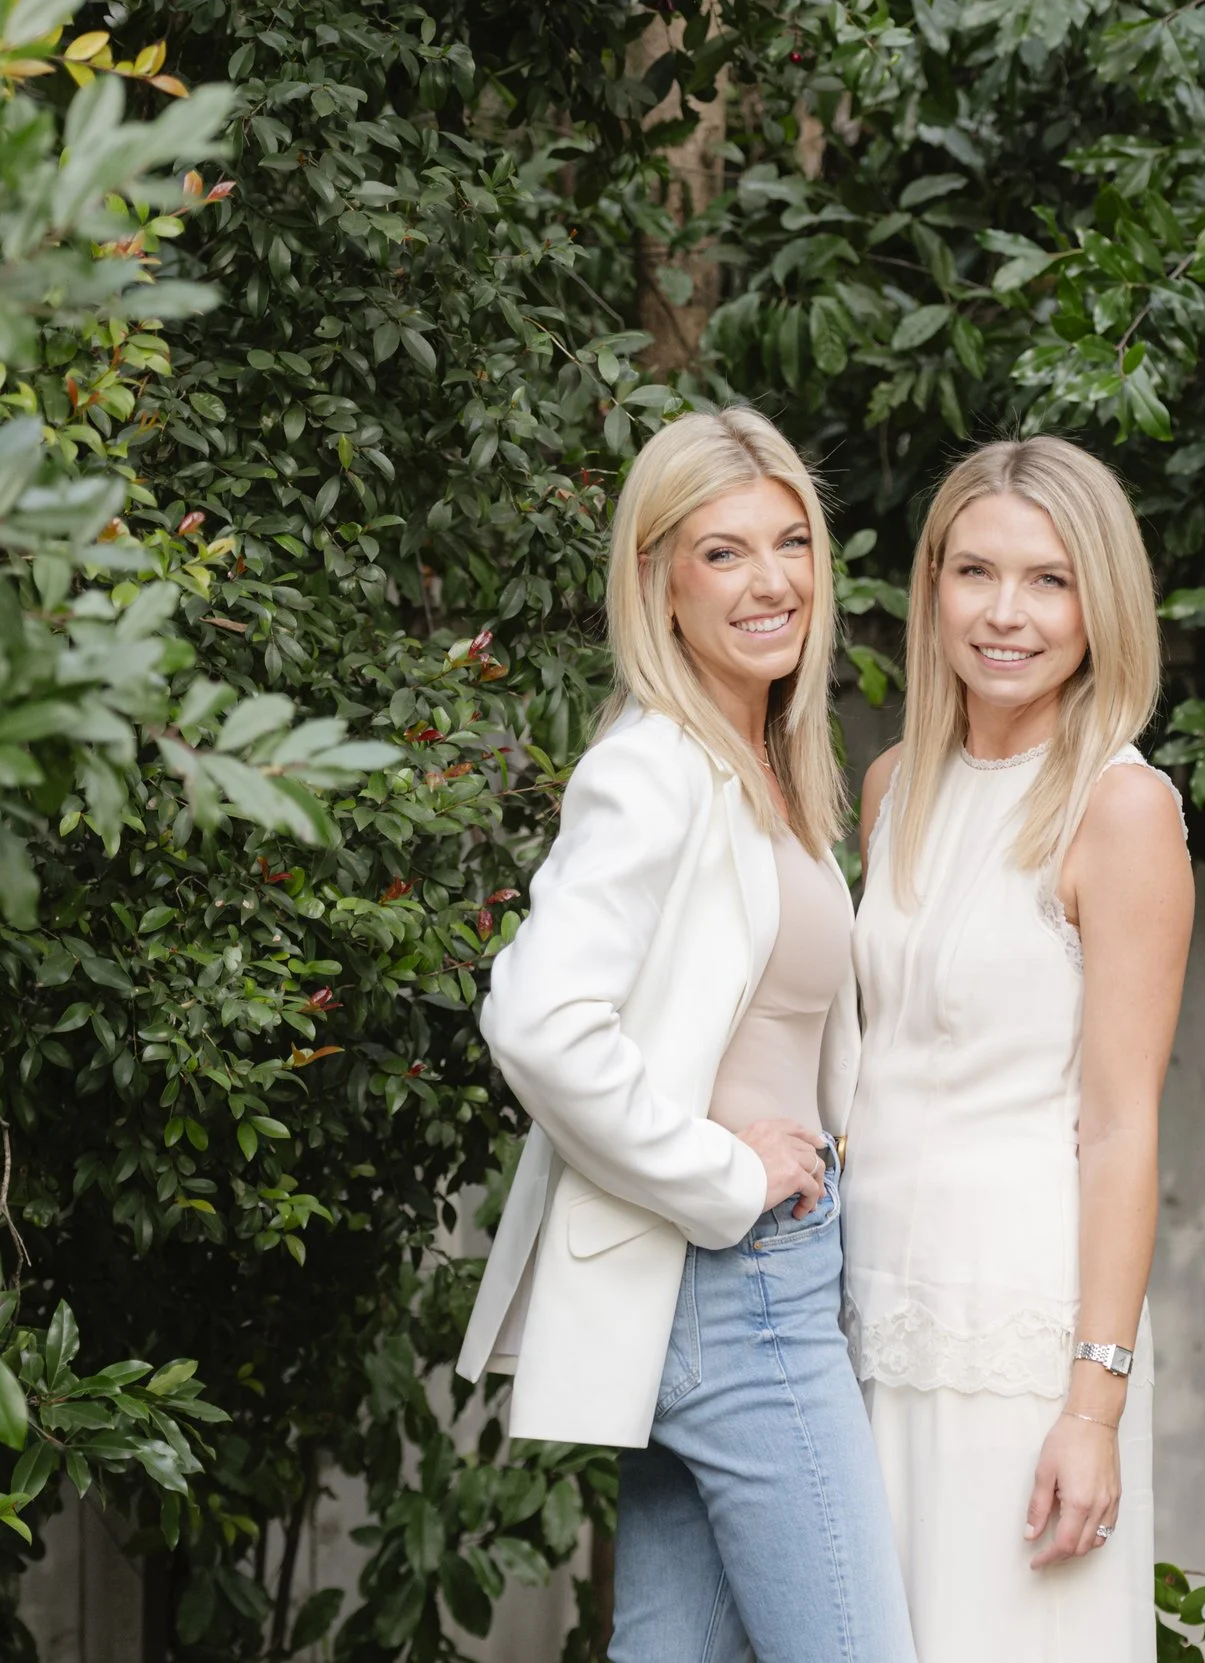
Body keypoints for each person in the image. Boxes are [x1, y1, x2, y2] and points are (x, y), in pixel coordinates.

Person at [458, 409, 916, 1663]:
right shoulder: (654, 766)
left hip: (741, 1276)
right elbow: (536, 1020)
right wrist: (721, 1171)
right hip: (738, 1279)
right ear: (658, 583)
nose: (771, 582)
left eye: (790, 543)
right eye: (723, 553)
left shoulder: (759, 762)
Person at [845, 435, 1194, 1661]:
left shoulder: (1120, 806)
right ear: (931, 586)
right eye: (975, 572)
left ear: (1102, 607)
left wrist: (1091, 1406)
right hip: (864, 1318)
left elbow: (1122, 1126)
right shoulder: (893, 786)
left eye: (1049, 580)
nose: (1005, 613)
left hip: (1020, 1342)